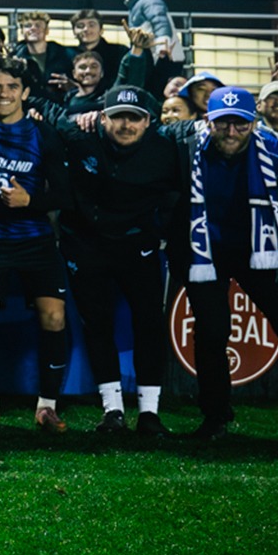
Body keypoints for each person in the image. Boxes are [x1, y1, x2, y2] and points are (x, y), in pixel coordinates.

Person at [179, 87, 278, 447]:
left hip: (260, 250)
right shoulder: (186, 145)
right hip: (206, 251)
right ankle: (215, 418)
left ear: (254, 123)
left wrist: (276, 227)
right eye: (224, 124)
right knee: (211, 331)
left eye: (240, 124)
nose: (232, 132)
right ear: (209, 121)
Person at [40, 85, 183, 436]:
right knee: (97, 325)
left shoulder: (166, 149)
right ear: (102, 118)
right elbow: (47, 107)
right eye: (117, 116)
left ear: (148, 122)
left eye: (133, 118)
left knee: (149, 324)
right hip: (86, 246)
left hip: (139, 249)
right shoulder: (79, 135)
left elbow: (179, 195)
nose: (125, 125)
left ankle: (149, 413)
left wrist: (157, 228)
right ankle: (113, 411)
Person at [0, 58, 72, 431]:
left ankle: (48, 405)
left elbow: (67, 195)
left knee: (54, 316)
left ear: (24, 92)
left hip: (34, 239)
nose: (3, 94)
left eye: (10, 87)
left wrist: (30, 203)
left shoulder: (42, 133)